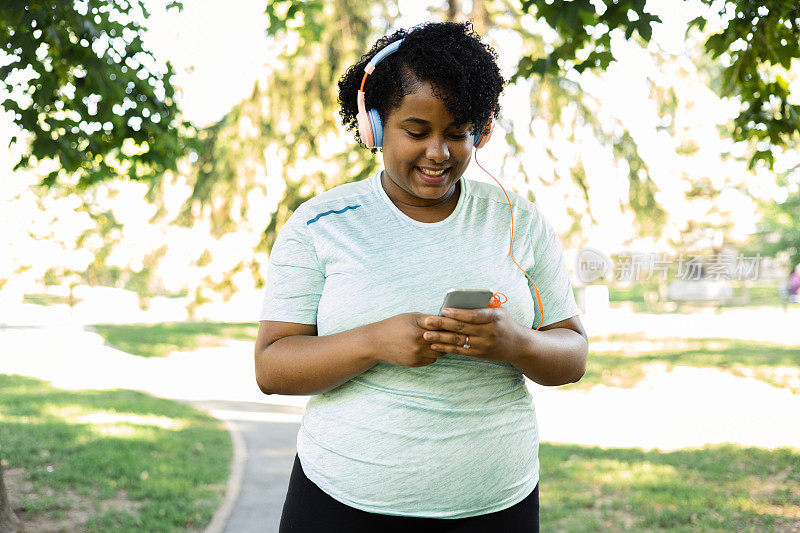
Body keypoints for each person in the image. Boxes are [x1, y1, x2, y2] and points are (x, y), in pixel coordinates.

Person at [255, 21, 588, 533]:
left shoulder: (518, 221)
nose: (439, 152)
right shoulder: (319, 225)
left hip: (496, 507)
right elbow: (272, 368)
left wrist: (514, 342)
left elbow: (572, 355)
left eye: (458, 133)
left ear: (482, 130)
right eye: (417, 132)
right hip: (340, 504)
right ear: (373, 125)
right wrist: (373, 342)